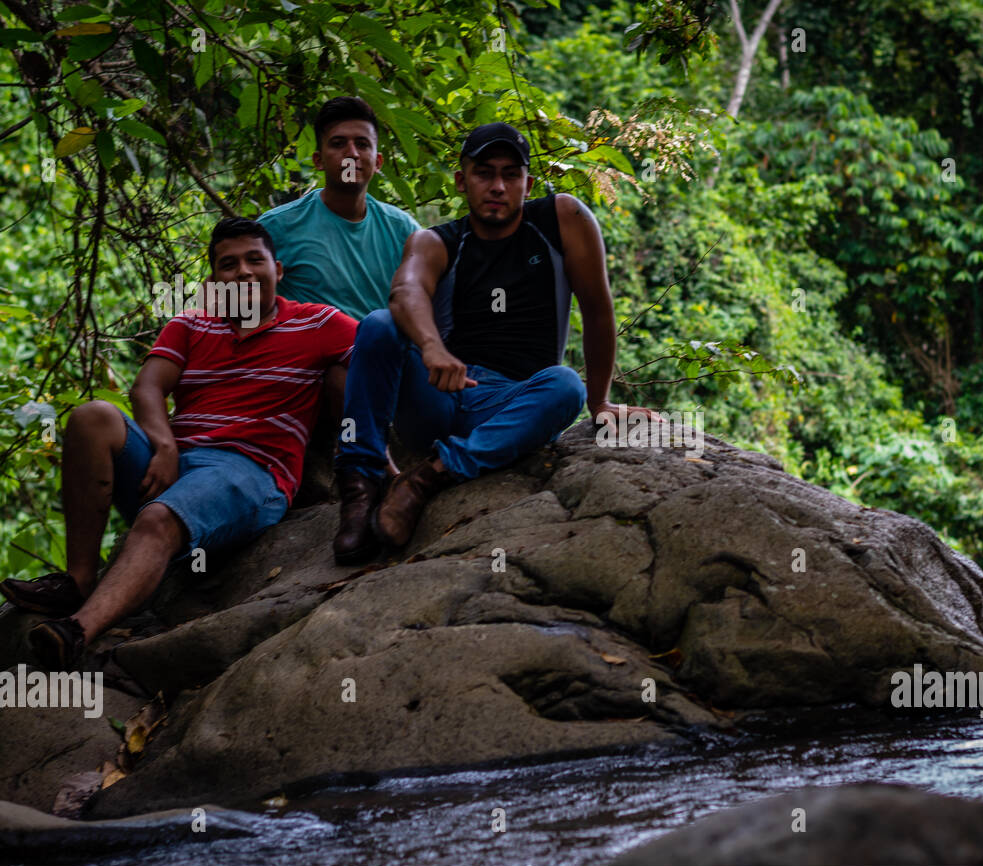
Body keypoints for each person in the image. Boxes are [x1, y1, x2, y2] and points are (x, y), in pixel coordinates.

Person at [0, 218, 358, 670]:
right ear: (213, 280)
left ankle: (75, 631)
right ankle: (79, 578)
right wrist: (165, 447)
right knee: (92, 416)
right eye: (228, 265)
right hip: (173, 462)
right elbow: (147, 388)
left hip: (249, 472)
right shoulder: (192, 325)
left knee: (157, 519)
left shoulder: (319, 322)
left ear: (278, 269)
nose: (244, 272)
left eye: (255, 260)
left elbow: (381, 356)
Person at [331, 122, 659, 564]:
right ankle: (361, 486)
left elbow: (598, 310)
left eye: (511, 174)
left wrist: (600, 402)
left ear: (528, 182)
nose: (498, 186)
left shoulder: (563, 219)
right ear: (462, 181)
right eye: (484, 173)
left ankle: (430, 477)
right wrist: (432, 347)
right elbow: (406, 292)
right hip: (442, 394)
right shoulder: (436, 240)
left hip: (513, 402)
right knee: (377, 324)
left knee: (566, 386)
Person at [258, 96, 420, 323]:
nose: (352, 154)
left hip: (383, 353)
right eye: (338, 143)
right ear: (318, 160)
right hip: (305, 355)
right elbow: (224, 297)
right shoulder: (275, 227)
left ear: (378, 162)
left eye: (362, 145)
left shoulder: (403, 230)